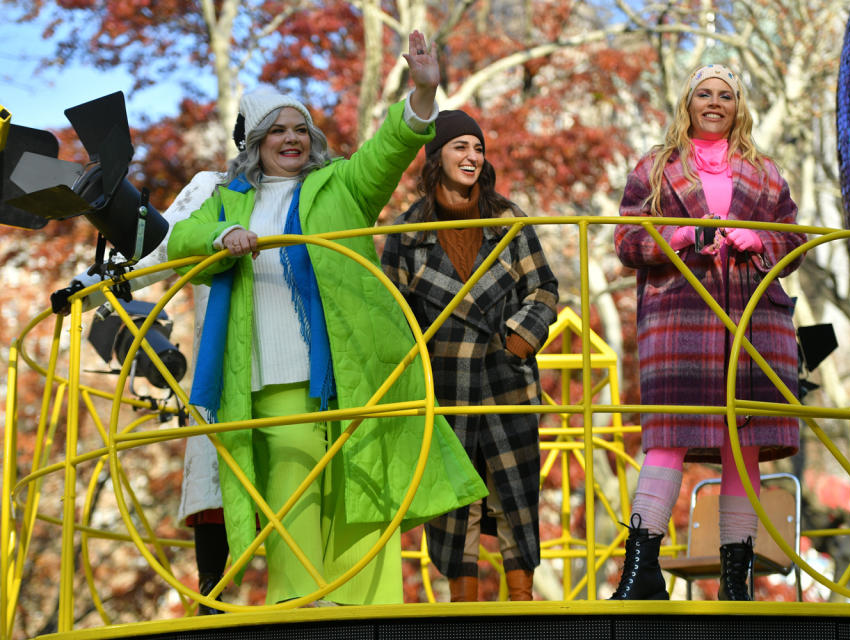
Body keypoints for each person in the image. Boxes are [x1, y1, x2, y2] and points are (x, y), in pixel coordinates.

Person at [167, 32, 487, 606]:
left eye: (299, 130)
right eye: (276, 131)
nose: (290, 140)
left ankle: (373, 612)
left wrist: (423, 89)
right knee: (291, 497)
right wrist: (221, 235)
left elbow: (389, 147)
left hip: (351, 374)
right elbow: (181, 239)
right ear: (257, 141)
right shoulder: (229, 200)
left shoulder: (340, 185)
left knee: (361, 490)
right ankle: (300, 609)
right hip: (269, 380)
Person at [610, 64, 805, 601]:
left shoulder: (765, 172)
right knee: (666, 440)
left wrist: (761, 242)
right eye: (704, 94)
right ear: (688, 103)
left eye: (725, 95)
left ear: (738, 106)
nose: (714, 102)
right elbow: (626, 240)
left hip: (753, 321)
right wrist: (676, 236)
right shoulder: (655, 167)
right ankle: (642, 569)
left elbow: (795, 246)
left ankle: (735, 582)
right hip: (680, 318)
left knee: (741, 444)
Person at [381, 110, 558, 602]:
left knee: (516, 496)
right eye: (461, 147)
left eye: (478, 148)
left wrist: (520, 338)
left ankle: (521, 601)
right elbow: (393, 315)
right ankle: (463, 608)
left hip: (507, 378)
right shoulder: (405, 234)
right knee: (454, 502)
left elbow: (543, 287)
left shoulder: (509, 220)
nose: (472, 157)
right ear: (437, 157)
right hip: (445, 385)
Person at [54, 170, 230, 614]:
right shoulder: (218, 187)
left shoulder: (317, 183)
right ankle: (212, 596)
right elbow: (157, 250)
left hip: (305, 365)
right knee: (217, 471)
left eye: (297, 129)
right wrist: (85, 289)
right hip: (226, 364)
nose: (283, 140)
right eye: (265, 131)